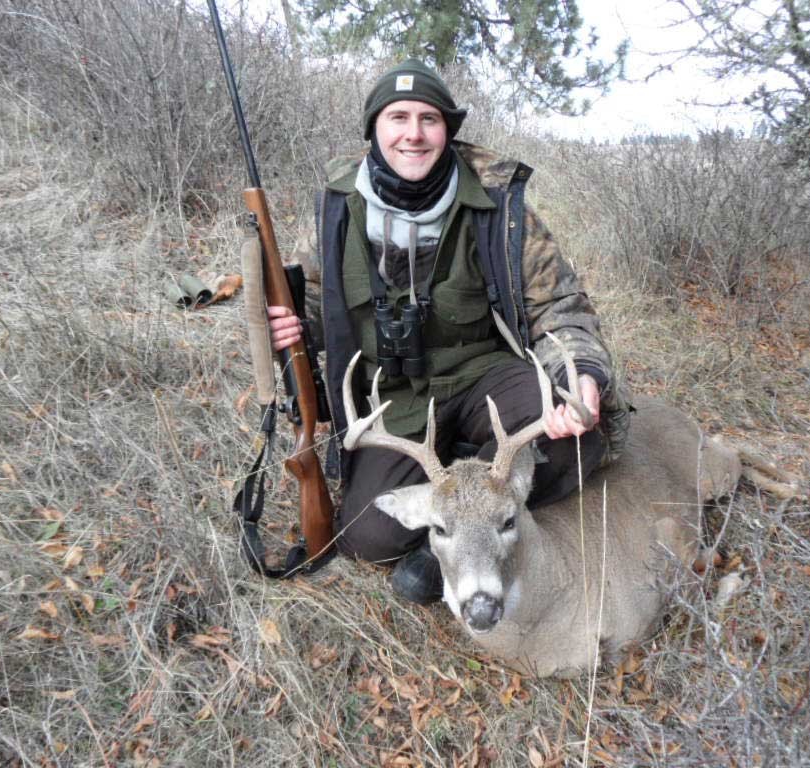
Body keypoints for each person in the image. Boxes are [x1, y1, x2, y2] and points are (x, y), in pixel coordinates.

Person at [267, 59, 631, 604]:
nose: (413, 134)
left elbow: (559, 303)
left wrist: (580, 375)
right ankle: (467, 488)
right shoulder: (335, 208)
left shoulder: (498, 204)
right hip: (390, 399)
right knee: (367, 537)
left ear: (448, 130)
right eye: (397, 118)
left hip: (483, 374)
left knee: (575, 440)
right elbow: (321, 300)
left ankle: (456, 544)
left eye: (429, 120)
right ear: (375, 128)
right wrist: (294, 323)